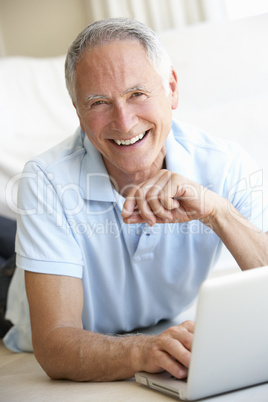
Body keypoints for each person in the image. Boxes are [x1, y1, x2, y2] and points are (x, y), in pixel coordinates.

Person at [3, 18, 268, 381]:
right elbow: (54, 343)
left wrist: (217, 211)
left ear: (171, 89)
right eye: (98, 102)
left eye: (137, 93)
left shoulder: (225, 165)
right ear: (79, 114)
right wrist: (143, 350)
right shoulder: (46, 180)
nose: (124, 123)